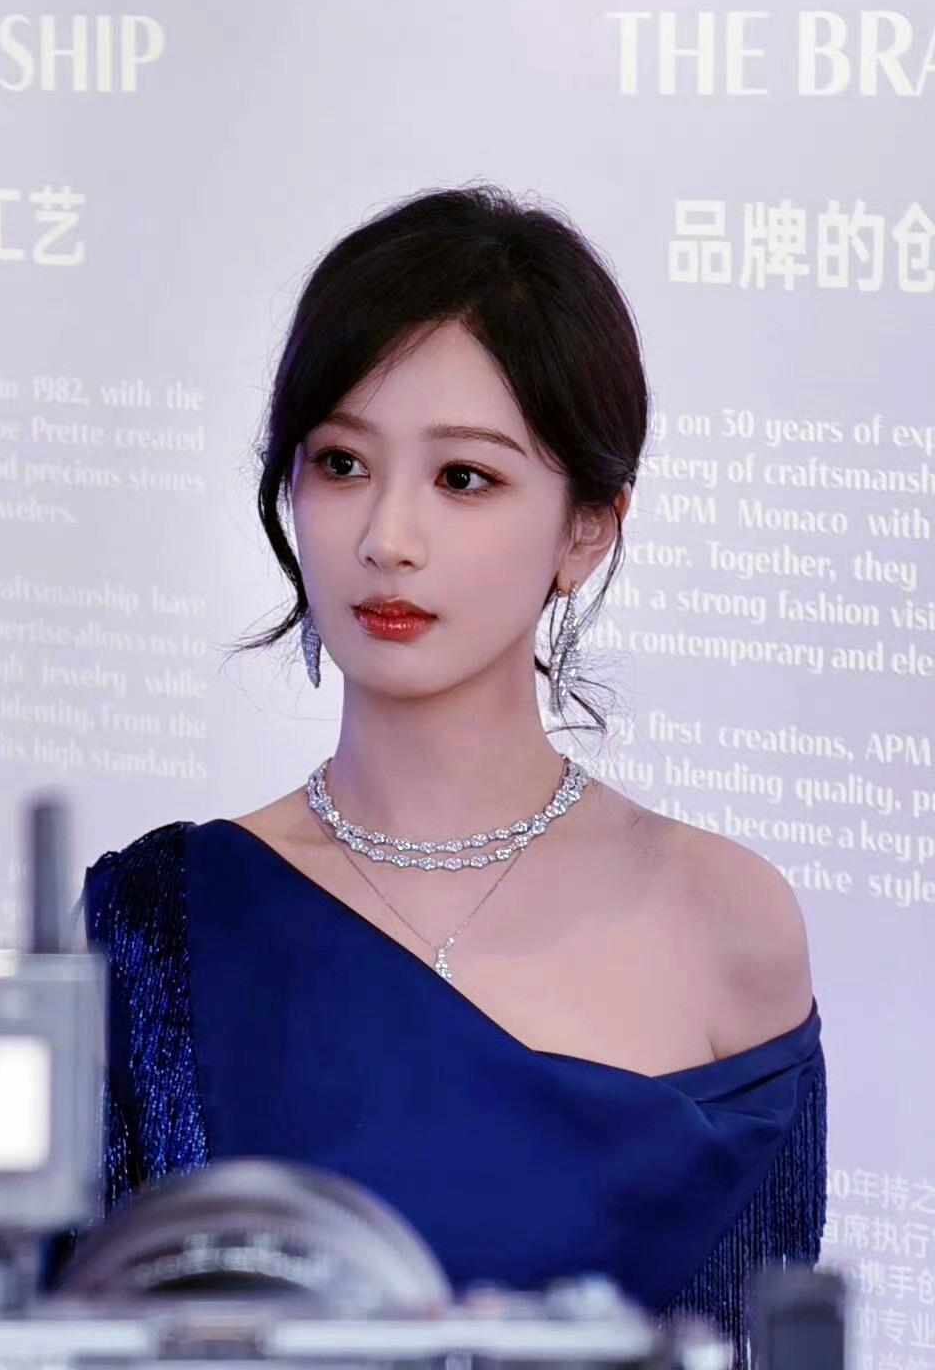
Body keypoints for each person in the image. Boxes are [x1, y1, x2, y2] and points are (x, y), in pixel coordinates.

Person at [55, 185, 827, 1369]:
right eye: (342, 463)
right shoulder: (158, 924)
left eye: (464, 478)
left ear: (587, 528)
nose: (387, 538)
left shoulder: (731, 920)